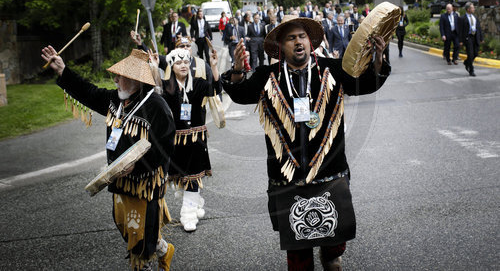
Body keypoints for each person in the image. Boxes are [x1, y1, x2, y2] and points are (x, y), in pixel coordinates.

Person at [221, 15, 390, 270]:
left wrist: (377, 61)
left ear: (311, 42)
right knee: (298, 258)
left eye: (302, 37)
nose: (298, 42)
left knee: (333, 253)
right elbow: (241, 93)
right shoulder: (267, 76)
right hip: (288, 180)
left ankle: (331, 258)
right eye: (291, 38)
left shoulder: (332, 69)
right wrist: (236, 69)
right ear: (281, 46)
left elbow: (363, 84)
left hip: (329, 174)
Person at [41, 47, 176, 271]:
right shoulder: (116, 100)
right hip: (119, 179)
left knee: (140, 237)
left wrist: (137, 164)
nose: (115, 80)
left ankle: (143, 265)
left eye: (120, 76)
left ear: (135, 80)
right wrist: (63, 70)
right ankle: (164, 249)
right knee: (125, 225)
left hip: (145, 183)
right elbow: (89, 92)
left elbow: (166, 148)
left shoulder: (157, 107)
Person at [153, 47, 219, 232]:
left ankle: (188, 216)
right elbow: (156, 101)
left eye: (186, 62)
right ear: (172, 65)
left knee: (193, 176)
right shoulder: (167, 86)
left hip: (196, 140)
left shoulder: (197, 83)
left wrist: (213, 67)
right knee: (181, 179)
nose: (183, 65)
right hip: (176, 142)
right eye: (178, 62)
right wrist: (153, 68)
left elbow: (215, 89)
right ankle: (195, 201)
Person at [459, 2, 484, 77]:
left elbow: (478, 28)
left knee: (475, 53)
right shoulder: (462, 18)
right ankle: (471, 70)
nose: (474, 9)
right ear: (468, 9)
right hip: (468, 38)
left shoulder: (475, 17)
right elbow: (460, 30)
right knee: (470, 54)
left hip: (475, 37)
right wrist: (460, 41)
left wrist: (481, 38)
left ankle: (466, 62)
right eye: (472, 7)